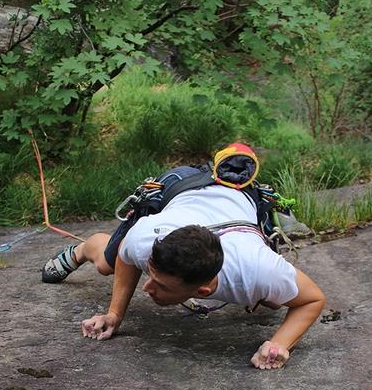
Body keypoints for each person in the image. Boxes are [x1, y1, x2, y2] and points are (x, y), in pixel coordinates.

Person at [41, 158, 325, 370]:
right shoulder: (147, 239)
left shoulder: (259, 270)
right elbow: (128, 257)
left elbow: (312, 299)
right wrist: (114, 315)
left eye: (160, 285)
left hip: (238, 189)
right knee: (106, 264)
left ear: (202, 291)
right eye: (150, 275)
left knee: (274, 302)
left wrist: (279, 344)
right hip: (180, 183)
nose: (146, 288)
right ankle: (82, 249)